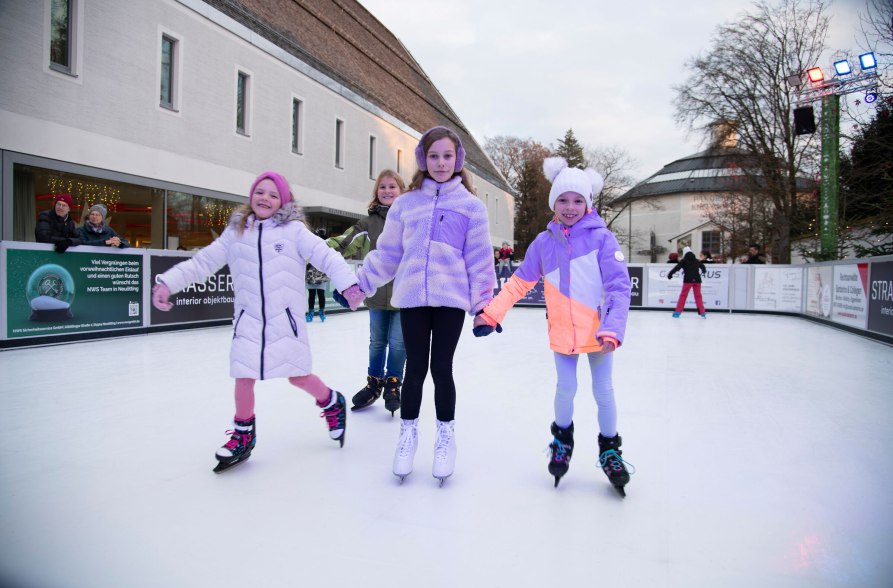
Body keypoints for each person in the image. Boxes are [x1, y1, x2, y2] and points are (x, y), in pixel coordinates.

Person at [151, 171, 365, 473]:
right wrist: (167, 283)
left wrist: (349, 285)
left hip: (285, 320)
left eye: (273, 194)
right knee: (243, 375)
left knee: (299, 376)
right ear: (252, 196)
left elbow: (326, 257)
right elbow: (202, 263)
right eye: (260, 192)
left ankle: (331, 402)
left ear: (283, 201)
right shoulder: (237, 231)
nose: (265, 198)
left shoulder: (294, 231)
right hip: (249, 320)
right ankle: (243, 434)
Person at [474, 156, 633, 496]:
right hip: (562, 331)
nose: (571, 207)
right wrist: (491, 313)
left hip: (599, 332)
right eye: (563, 199)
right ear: (554, 203)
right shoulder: (544, 244)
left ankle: (610, 450)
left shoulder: (603, 239)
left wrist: (612, 329)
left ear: (588, 203)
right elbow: (518, 283)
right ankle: (562, 440)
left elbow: (619, 287)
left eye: (578, 200)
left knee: (603, 391)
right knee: (566, 388)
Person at [354, 126, 496, 485]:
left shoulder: (471, 207)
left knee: (441, 368)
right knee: (415, 367)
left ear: (458, 159)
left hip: (450, 300)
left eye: (448, 156)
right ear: (423, 159)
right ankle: (407, 435)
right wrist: (363, 284)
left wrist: (483, 307)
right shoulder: (405, 203)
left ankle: (445, 437)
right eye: (434, 156)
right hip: (413, 297)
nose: (441, 163)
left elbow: (479, 261)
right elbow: (387, 253)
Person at [327, 169, 407, 413]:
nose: (387, 191)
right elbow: (344, 242)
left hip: (404, 297)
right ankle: (374, 384)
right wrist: (316, 248)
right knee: (377, 343)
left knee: (398, 343)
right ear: (376, 192)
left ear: (402, 191)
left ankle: (393, 384)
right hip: (375, 295)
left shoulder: (411, 220)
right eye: (382, 187)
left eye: (392, 186)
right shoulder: (368, 223)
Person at [667, 246, 707, 318]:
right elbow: (703, 266)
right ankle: (702, 312)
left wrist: (670, 274)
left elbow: (677, 268)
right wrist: (704, 271)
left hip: (688, 280)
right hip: (697, 280)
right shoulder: (696, 260)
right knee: (698, 296)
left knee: (683, 296)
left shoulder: (684, 261)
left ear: (684, 253)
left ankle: (677, 312)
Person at [305, 229, 330, 322]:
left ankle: (322, 312)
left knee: (321, 294)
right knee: (311, 294)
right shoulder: (311, 245)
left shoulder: (326, 246)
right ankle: (310, 313)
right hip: (311, 273)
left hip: (321, 273)